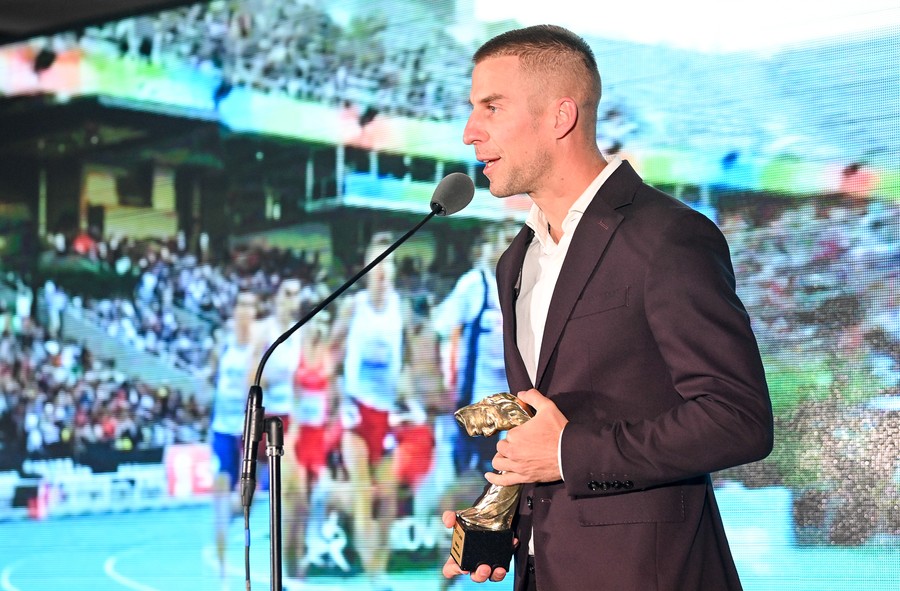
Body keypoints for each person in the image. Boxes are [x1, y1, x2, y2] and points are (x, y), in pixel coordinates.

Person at [440, 25, 773, 591]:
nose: (470, 131)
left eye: (491, 107)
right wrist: (503, 514)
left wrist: (566, 454)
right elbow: (549, 422)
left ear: (560, 116)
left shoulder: (667, 237)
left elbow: (737, 419)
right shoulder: (515, 260)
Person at [329, 234, 405, 591]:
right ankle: (374, 578)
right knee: (363, 496)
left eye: (389, 263)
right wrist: (338, 397)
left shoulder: (401, 308)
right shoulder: (353, 307)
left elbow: (408, 361)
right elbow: (329, 356)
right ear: (367, 269)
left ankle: (380, 568)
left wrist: (410, 400)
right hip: (357, 413)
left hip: (386, 416)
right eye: (378, 263)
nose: (383, 271)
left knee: (387, 501)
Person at [435, 225, 512, 475]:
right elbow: (441, 326)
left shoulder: (522, 284)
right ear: (491, 247)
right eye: (506, 240)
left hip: (511, 398)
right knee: (477, 471)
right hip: (479, 396)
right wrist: (445, 383)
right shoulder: (474, 284)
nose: (513, 247)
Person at [208, 290, 259, 584]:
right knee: (219, 499)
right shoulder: (224, 343)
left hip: (245, 434)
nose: (244, 311)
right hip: (222, 432)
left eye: (250, 307)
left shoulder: (257, 347)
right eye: (241, 305)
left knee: (243, 501)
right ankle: (223, 573)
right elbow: (214, 377)